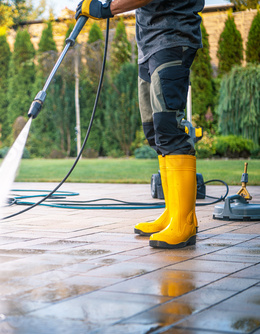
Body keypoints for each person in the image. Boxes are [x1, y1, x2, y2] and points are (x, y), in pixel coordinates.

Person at [76, 0, 204, 249]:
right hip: (150, 45)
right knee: (154, 131)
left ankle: (185, 222)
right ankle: (173, 213)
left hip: (172, 37)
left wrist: (107, 8)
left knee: (169, 128)